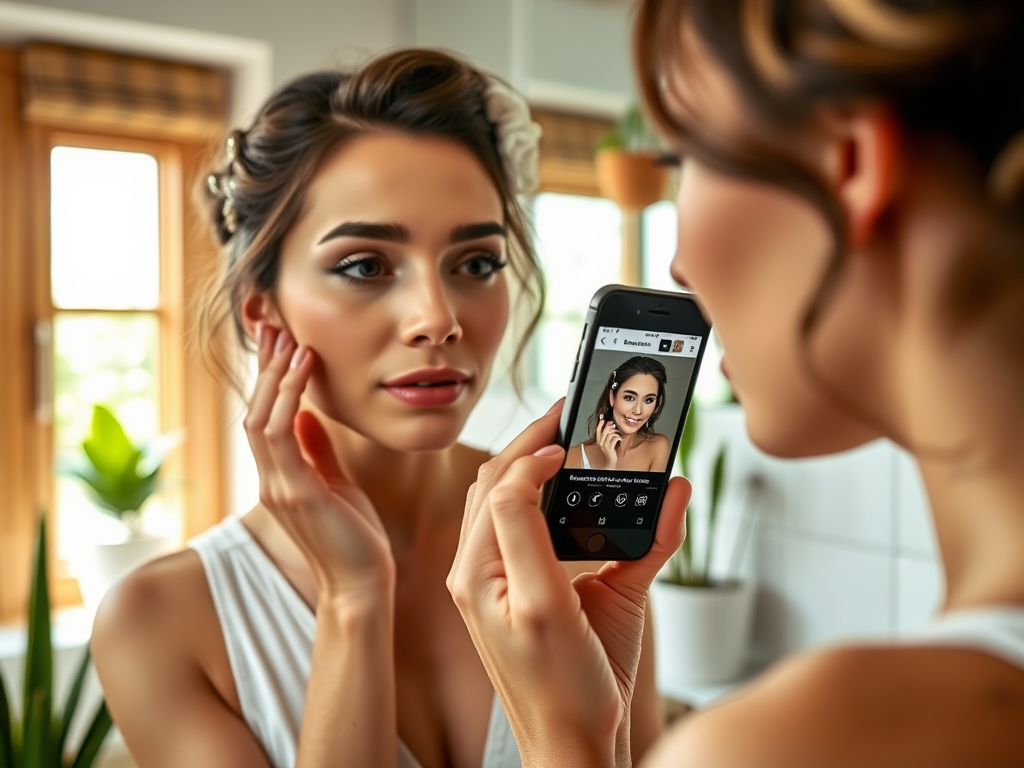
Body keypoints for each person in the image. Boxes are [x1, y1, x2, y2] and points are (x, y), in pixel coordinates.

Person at [447, 1, 1024, 766]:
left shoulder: (796, 746)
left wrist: (563, 736)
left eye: (683, 161)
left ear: (845, 164)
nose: (679, 264)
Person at [90, 49, 665, 768]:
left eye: (476, 263)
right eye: (364, 265)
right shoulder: (156, 624)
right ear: (262, 312)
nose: (438, 318)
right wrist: (352, 598)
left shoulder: (577, 537)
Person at [564, 355, 671, 472]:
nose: (638, 411)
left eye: (648, 400)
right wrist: (609, 465)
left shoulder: (658, 447)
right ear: (612, 397)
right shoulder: (574, 456)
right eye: (629, 398)